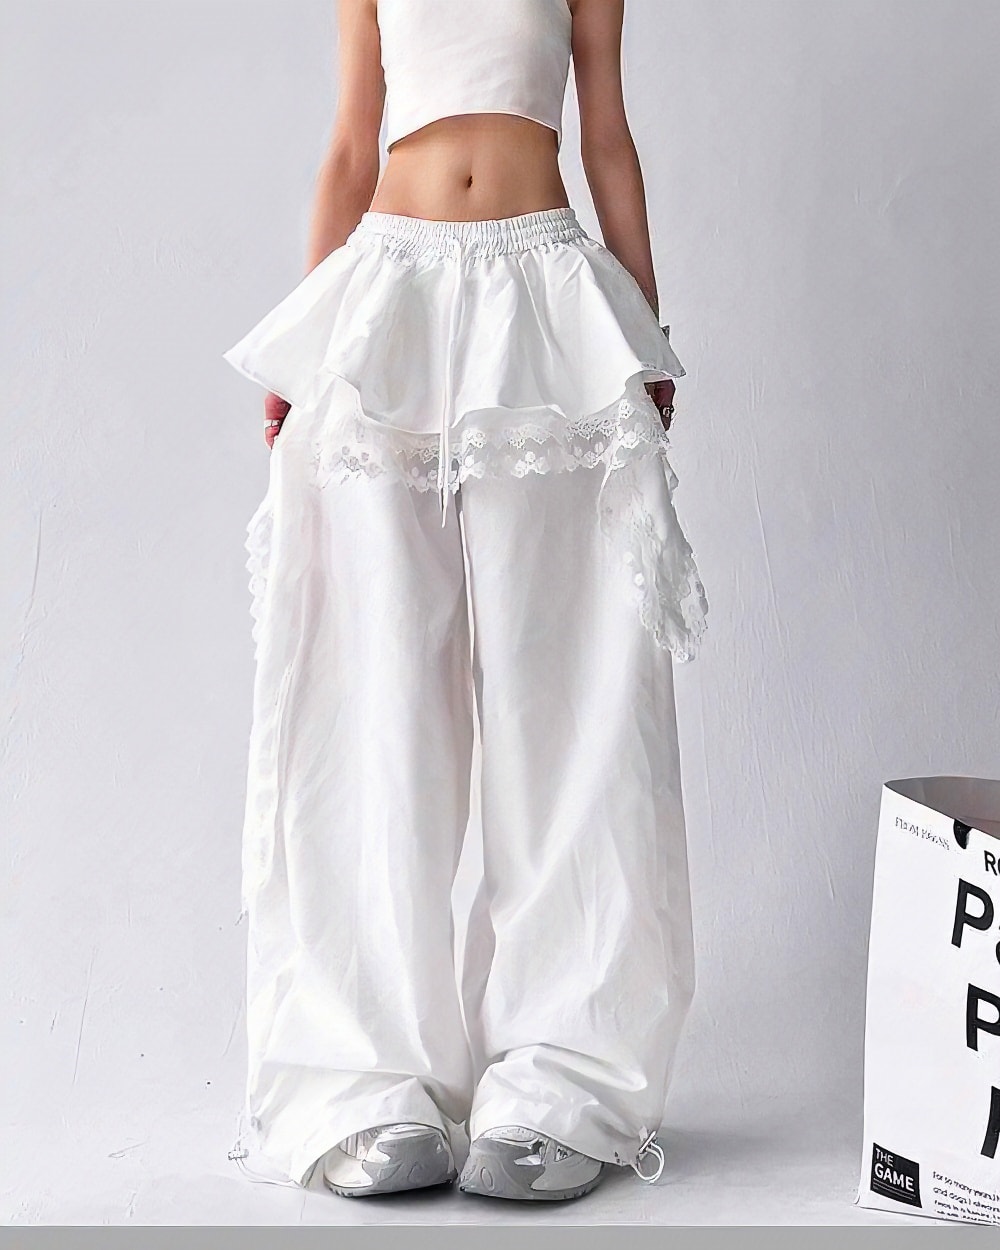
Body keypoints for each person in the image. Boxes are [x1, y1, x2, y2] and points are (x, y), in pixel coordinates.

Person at [222, 0, 709, 1204]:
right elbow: (353, 141)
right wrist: (305, 343)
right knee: (372, 696)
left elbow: (607, 139)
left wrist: (643, 331)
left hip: (543, 297)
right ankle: (368, 1077)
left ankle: (559, 1075)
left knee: (569, 691)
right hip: (391, 295)